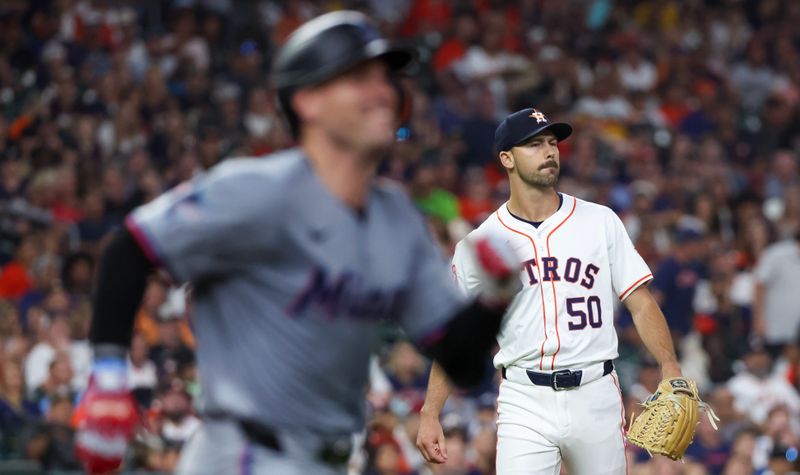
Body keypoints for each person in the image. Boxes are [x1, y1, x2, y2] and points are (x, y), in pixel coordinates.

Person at [74, 11, 520, 475]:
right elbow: (130, 247)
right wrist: (108, 377)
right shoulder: (257, 191)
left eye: (384, 78)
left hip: (329, 460)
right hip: (245, 453)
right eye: (358, 77)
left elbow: (460, 360)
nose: (383, 91)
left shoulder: (398, 219)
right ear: (307, 100)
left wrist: (495, 298)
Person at [416, 108, 686, 474]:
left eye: (552, 142)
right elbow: (456, 338)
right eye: (534, 144)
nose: (549, 151)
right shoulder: (480, 245)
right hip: (524, 396)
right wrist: (431, 411)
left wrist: (669, 365)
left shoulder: (599, 221)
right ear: (506, 158)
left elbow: (640, 303)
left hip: (595, 390)